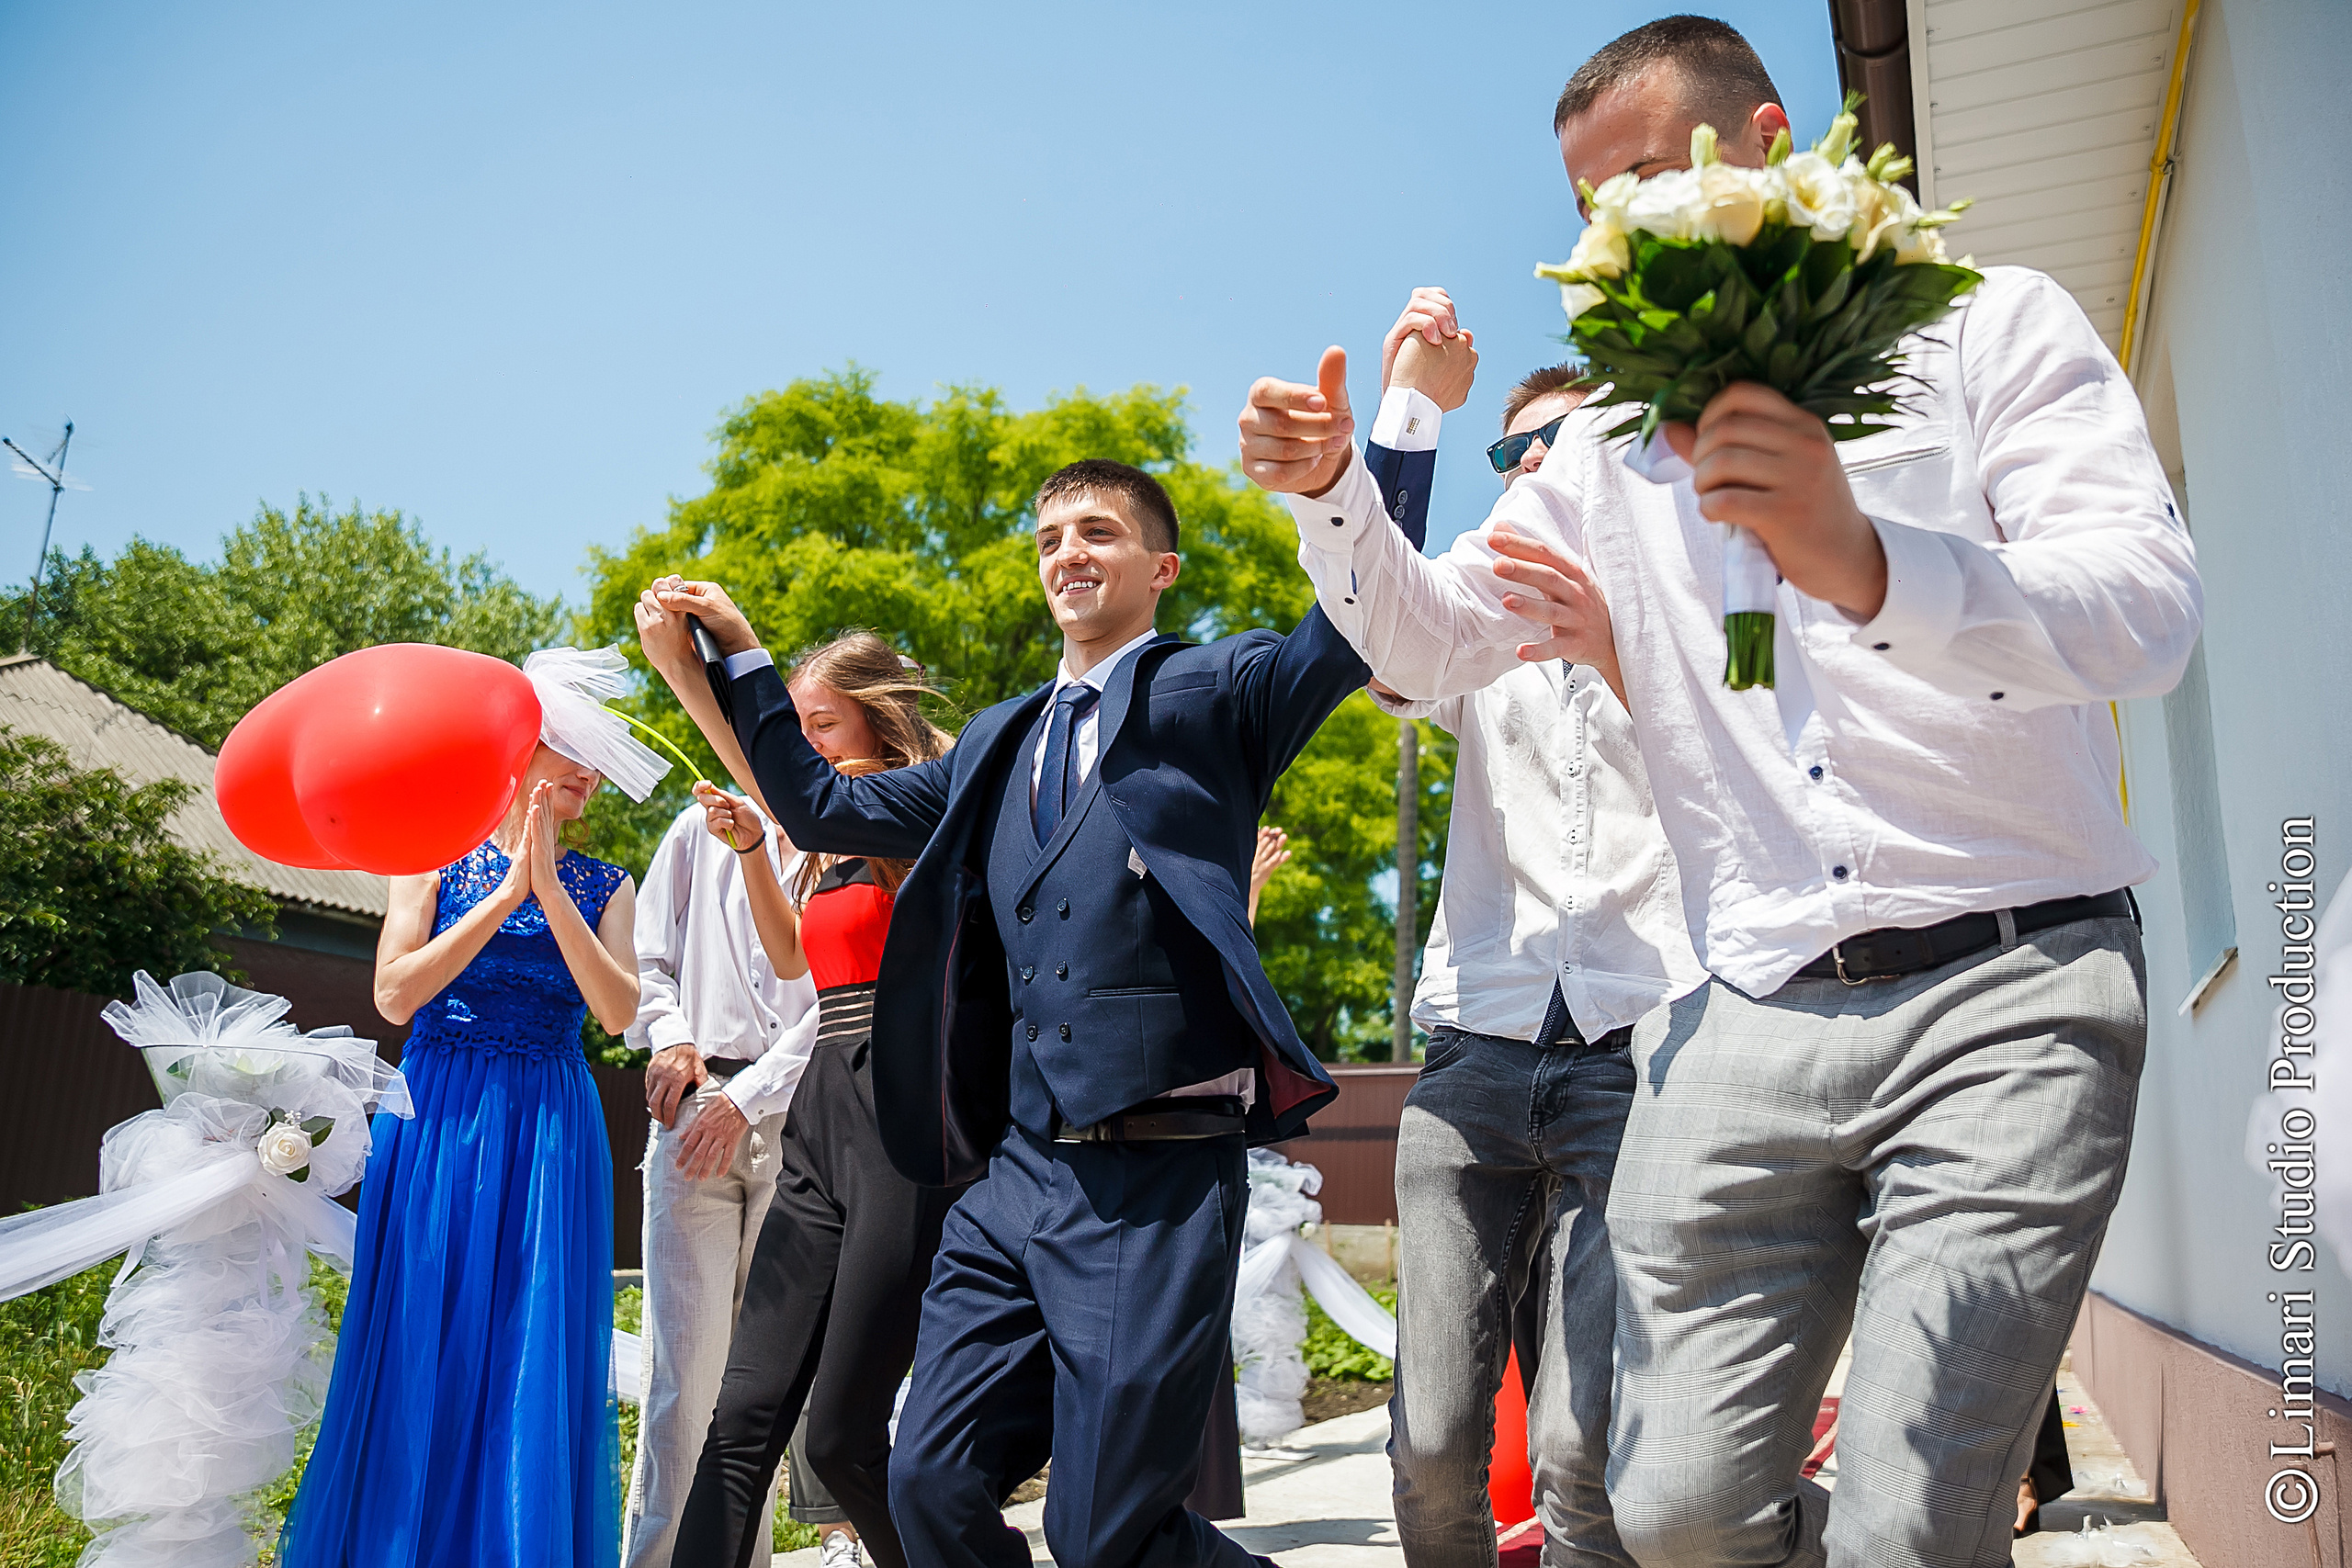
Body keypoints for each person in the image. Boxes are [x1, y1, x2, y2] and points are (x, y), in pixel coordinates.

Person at [1236, 17, 2200, 1566]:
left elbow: (2144, 611)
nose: (1611, 227)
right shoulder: (1601, 453)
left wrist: (1867, 559)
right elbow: (1428, 646)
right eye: (1585, 206)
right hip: (1745, 1012)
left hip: (2012, 981)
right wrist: (1340, 494)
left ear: (1766, 147)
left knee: (1908, 1520)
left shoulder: (1984, 327)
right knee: (1672, 1511)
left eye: (1643, 175)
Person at [634, 457, 1365, 1568]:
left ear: (1162, 568)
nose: (1067, 552)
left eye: (1098, 531)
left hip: (1160, 1169)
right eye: (1049, 538)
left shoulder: (1218, 688)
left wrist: (1378, 446)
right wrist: (739, 651)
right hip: (1016, 1176)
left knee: (1101, 1534)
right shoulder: (994, 742)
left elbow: (1350, 631)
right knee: (925, 1485)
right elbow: (816, 804)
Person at [1342, 296, 1706, 1568]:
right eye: (1516, 451)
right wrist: (1411, 404)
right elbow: (1379, 632)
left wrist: (1623, 654)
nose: (1539, 464)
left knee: (1579, 1452)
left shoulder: (1694, 618)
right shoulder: (1474, 645)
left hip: (1639, 1053)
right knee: (1434, 1443)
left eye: (1567, 442)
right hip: (1476, 1054)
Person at [284, 650, 659, 1568]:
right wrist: (501, 898)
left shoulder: (610, 885)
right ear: (518, 752)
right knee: (424, 1323)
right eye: (571, 750)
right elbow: (394, 994)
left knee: (530, 1334)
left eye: (596, 758)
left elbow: (619, 1013)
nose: (590, 772)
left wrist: (551, 895)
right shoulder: (427, 859)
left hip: (548, 1126)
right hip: (440, 1116)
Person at [656, 632, 962, 1568]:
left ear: (878, 715)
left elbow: (781, 775)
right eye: (798, 726)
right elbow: (794, 956)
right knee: (741, 1414)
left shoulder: (929, 815)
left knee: (837, 1440)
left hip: (905, 1114)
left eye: (821, 723)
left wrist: (712, 660)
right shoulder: (823, 840)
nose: (806, 743)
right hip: (822, 1108)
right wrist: (755, 847)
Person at [621, 795, 822, 1568]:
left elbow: (840, 995)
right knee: (684, 1378)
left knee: (757, 1388)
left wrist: (752, 1095)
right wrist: (672, 1039)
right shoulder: (694, 829)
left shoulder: (842, 834)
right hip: (697, 1105)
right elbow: (647, 959)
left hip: (799, 1115)